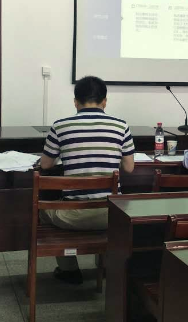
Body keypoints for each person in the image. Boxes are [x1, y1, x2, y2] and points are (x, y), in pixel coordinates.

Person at [38, 75, 135, 284]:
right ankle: (107, 267)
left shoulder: (60, 126)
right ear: (104, 101)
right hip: (112, 215)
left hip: (72, 217)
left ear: (75, 102)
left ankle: (69, 270)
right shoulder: (121, 126)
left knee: (42, 210)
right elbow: (129, 167)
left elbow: (45, 165)